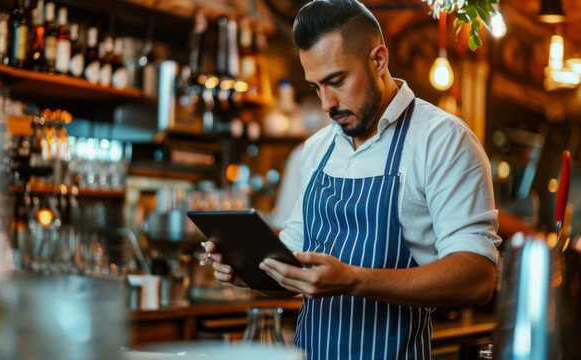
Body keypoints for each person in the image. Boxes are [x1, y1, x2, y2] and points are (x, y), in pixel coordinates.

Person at [205, 0, 501, 358]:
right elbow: (293, 267)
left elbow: (477, 277)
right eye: (316, 87)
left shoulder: (442, 140)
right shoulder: (316, 149)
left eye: (337, 81)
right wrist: (250, 271)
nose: (327, 103)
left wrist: (353, 279)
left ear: (378, 60)